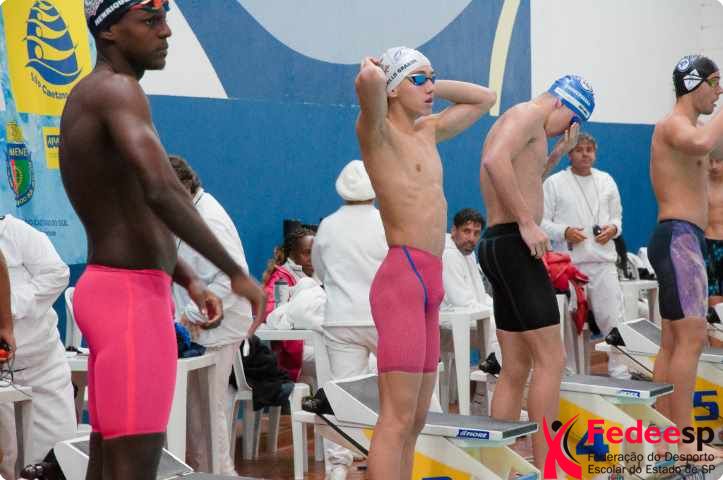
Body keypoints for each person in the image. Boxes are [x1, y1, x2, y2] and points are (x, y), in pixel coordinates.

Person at [60, 2, 265, 478]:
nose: (166, 31)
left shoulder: (95, 94)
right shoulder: (117, 90)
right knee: (133, 468)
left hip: (112, 291)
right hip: (131, 300)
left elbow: (134, 207)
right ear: (110, 31)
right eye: (150, 21)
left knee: (107, 464)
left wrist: (188, 278)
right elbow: (161, 189)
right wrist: (234, 272)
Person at [355, 46, 496, 479]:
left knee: (416, 419)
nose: (431, 87)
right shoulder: (377, 133)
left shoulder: (429, 131)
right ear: (394, 90)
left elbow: (485, 98)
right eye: (419, 81)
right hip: (402, 279)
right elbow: (370, 84)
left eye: (433, 78)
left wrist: (424, 77)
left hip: (431, 284)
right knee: (395, 419)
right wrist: (378, 70)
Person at [478, 74, 590, 468]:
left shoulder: (528, 124)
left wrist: (557, 153)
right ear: (562, 103)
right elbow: (494, 162)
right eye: (572, 121)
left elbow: (520, 175)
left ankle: (498, 468)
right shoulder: (527, 114)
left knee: (516, 366)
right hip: (514, 243)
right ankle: (549, 469)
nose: (568, 130)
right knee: (552, 361)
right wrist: (527, 222)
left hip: (499, 243)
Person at [648, 54, 723, 457]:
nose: (719, 91)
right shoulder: (674, 125)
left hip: (680, 239)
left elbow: (710, 144)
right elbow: (703, 143)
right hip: (680, 240)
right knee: (690, 341)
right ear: (696, 83)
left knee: (673, 342)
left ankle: (663, 439)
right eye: (715, 83)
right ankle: (686, 443)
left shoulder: (690, 128)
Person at [169, 155, 252, 476]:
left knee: (206, 413)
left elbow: (233, 276)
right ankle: (208, 472)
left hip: (216, 329)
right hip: (204, 327)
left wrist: (191, 315)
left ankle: (219, 474)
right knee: (197, 415)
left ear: (182, 188)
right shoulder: (191, 212)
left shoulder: (210, 219)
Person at [311, 159, 387, 480]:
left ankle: (337, 466)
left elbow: (320, 270)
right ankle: (413, 450)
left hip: (340, 318)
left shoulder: (327, 225)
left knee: (341, 394)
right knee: (401, 389)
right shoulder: (385, 222)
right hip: (382, 317)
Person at [542, 132, 630, 379]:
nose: (585, 154)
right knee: (570, 324)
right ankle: (570, 373)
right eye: (579, 149)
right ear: (570, 154)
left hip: (603, 263)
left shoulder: (606, 180)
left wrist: (613, 230)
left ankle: (620, 370)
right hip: (569, 267)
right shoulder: (554, 183)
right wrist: (565, 231)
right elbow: (541, 222)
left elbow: (617, 218)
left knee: (613, 318)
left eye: (589, 150)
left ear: (595, 153)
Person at [0, 216, 74, 479]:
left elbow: (57, 273)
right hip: (2, 380)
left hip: (42, 369)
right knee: (8, 463)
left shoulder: (12, 230)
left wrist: (9, 305)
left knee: (58, 456)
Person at [253, 227, 316, 381]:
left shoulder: (314, 276)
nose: (312, 259)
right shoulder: (280, 278)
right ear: (292, 254)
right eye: (307, 253)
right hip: (289, 351)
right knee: (335, 359)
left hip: (310, 342)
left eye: (316, 253)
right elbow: (270, 314)